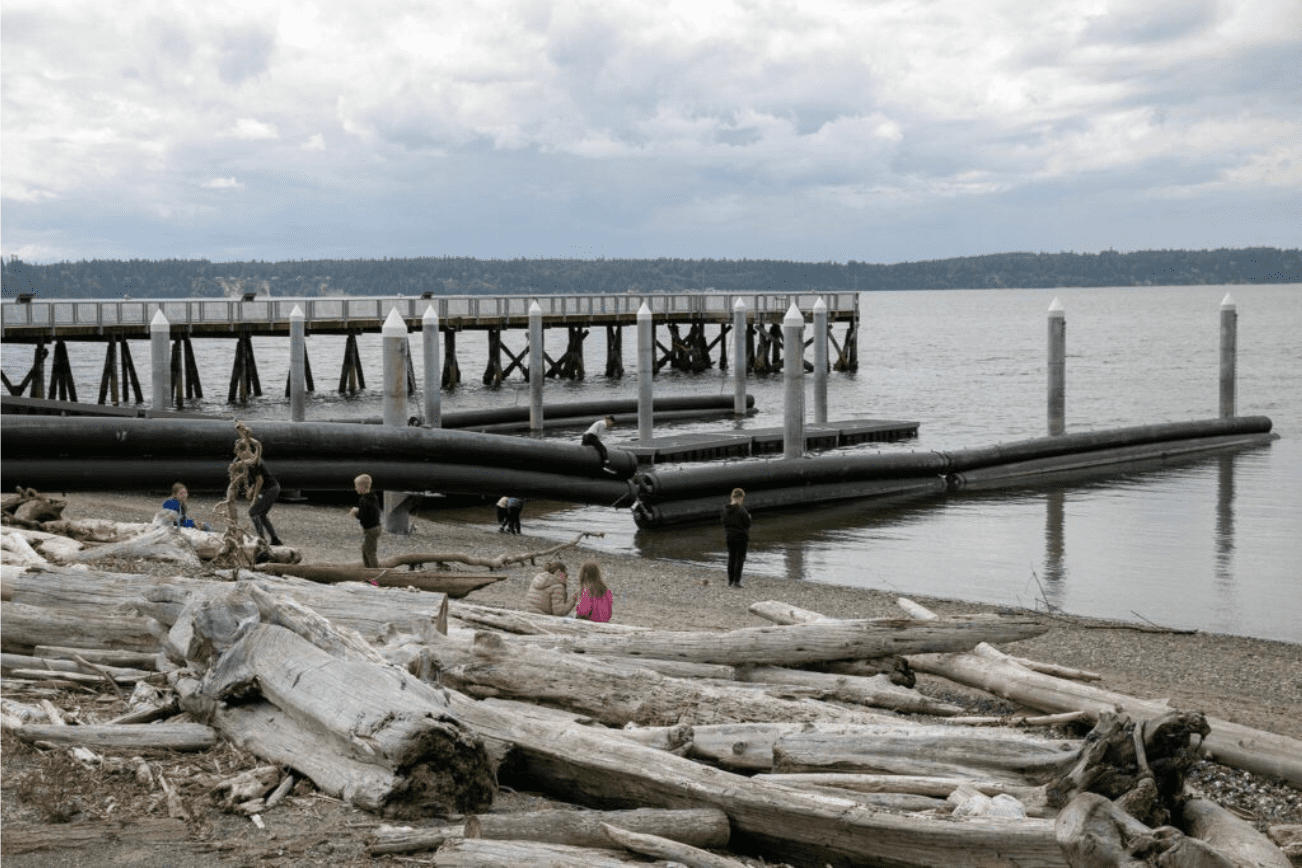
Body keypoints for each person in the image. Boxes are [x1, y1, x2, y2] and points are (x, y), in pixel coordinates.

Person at [247, 459, 283, 547]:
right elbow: (256, 481)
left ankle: (262, 540)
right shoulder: (251, 463)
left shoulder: (254, 463)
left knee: (253, 512)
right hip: (271, 489)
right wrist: (251, 490)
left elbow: (260, 480)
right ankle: (275, 539)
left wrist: (255, 496)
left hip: (271, 489)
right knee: (261, 514)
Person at [349, 473, 382, 568]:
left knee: (371, 553)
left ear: (362, 487)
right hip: (377, 527)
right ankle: (367, 570)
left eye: (356, 486)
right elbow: (372, 512)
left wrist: (355, 513)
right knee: (365, 550)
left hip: (370, 530)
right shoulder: (374, 497)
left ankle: (374, 575)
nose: (355, 489)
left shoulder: (363, 500)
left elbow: (362, 517)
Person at [721, 487, 751, 588]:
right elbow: (747, 524)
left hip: (729, 537)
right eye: (742, 498)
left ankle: (730, 580)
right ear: (739, 498)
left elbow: (724, 522)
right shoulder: (742, 511)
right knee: (739, 559)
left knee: (731, 558)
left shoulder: (725, 510)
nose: (742, 501)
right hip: (741, 537)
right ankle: (736, 581)